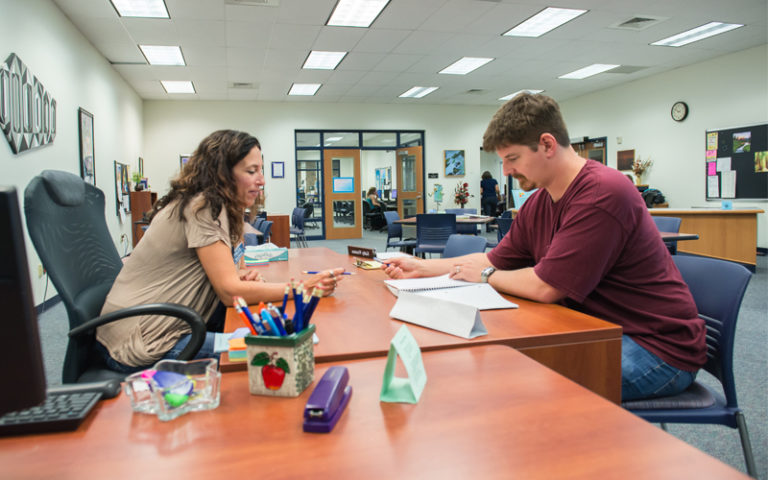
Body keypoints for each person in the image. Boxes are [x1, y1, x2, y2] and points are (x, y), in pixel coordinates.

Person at [384, 94, 706, 401]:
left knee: (520, 380)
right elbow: (494, 259)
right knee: (500, 364)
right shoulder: (540, 202)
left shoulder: (601, 193)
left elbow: (545, 287)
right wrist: (422, 267)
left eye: (512, 158)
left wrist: (486, 275)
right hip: (600, 328)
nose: (506, 171)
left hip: (657, 347)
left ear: (547, 145)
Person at [95, 130, 345, 372]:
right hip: (144, 341)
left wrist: (241, 276)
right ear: (222, 175)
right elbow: (229, 293)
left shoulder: (225, 210)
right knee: (280, 353)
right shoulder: (203, 207)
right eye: (251, 171)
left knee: (277, 341)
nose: (262, 180)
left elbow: (233, 273)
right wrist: (303, 288)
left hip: (164, 326)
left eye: (261, 170)